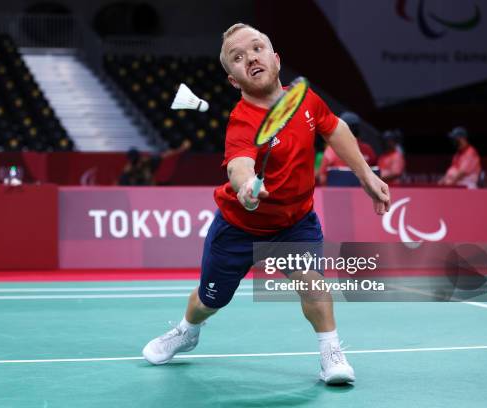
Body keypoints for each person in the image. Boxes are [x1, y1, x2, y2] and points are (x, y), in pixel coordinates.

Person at [142, 23, 390, 385]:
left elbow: (333, 127)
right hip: (239, 227)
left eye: (257, 49)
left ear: (275, 59)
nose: (250, 58)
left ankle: (331, 354)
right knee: (210, 300)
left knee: (313, 282)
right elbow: (238, 165)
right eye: (237, 58)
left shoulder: (305, 99)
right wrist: (245, 188)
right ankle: (187, 331)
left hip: (295, 223)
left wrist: (366, 175)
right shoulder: (241, 122)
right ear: (234, 80)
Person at [317, 111, 377, 185]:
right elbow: (322, 177)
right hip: (340, 195)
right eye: (352, 127)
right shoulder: (331, 150)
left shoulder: (367, 149)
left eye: (355, 126)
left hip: (362, 194)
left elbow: (375, 173)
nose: (354, 129)